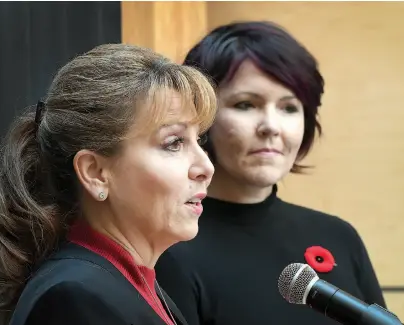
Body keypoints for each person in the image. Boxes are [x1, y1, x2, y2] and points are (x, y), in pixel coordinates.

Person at [155, 21, 386, 325]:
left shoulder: (339, 236)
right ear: (200, 118)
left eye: (289, 108)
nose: (271, 127)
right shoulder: (167, 247)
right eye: (246, 104)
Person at [0, 43, 217, 325]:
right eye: (174, 143)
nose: (205, 168)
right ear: (95, 172)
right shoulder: (75, 297)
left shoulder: (138, 283)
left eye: (200, 140)